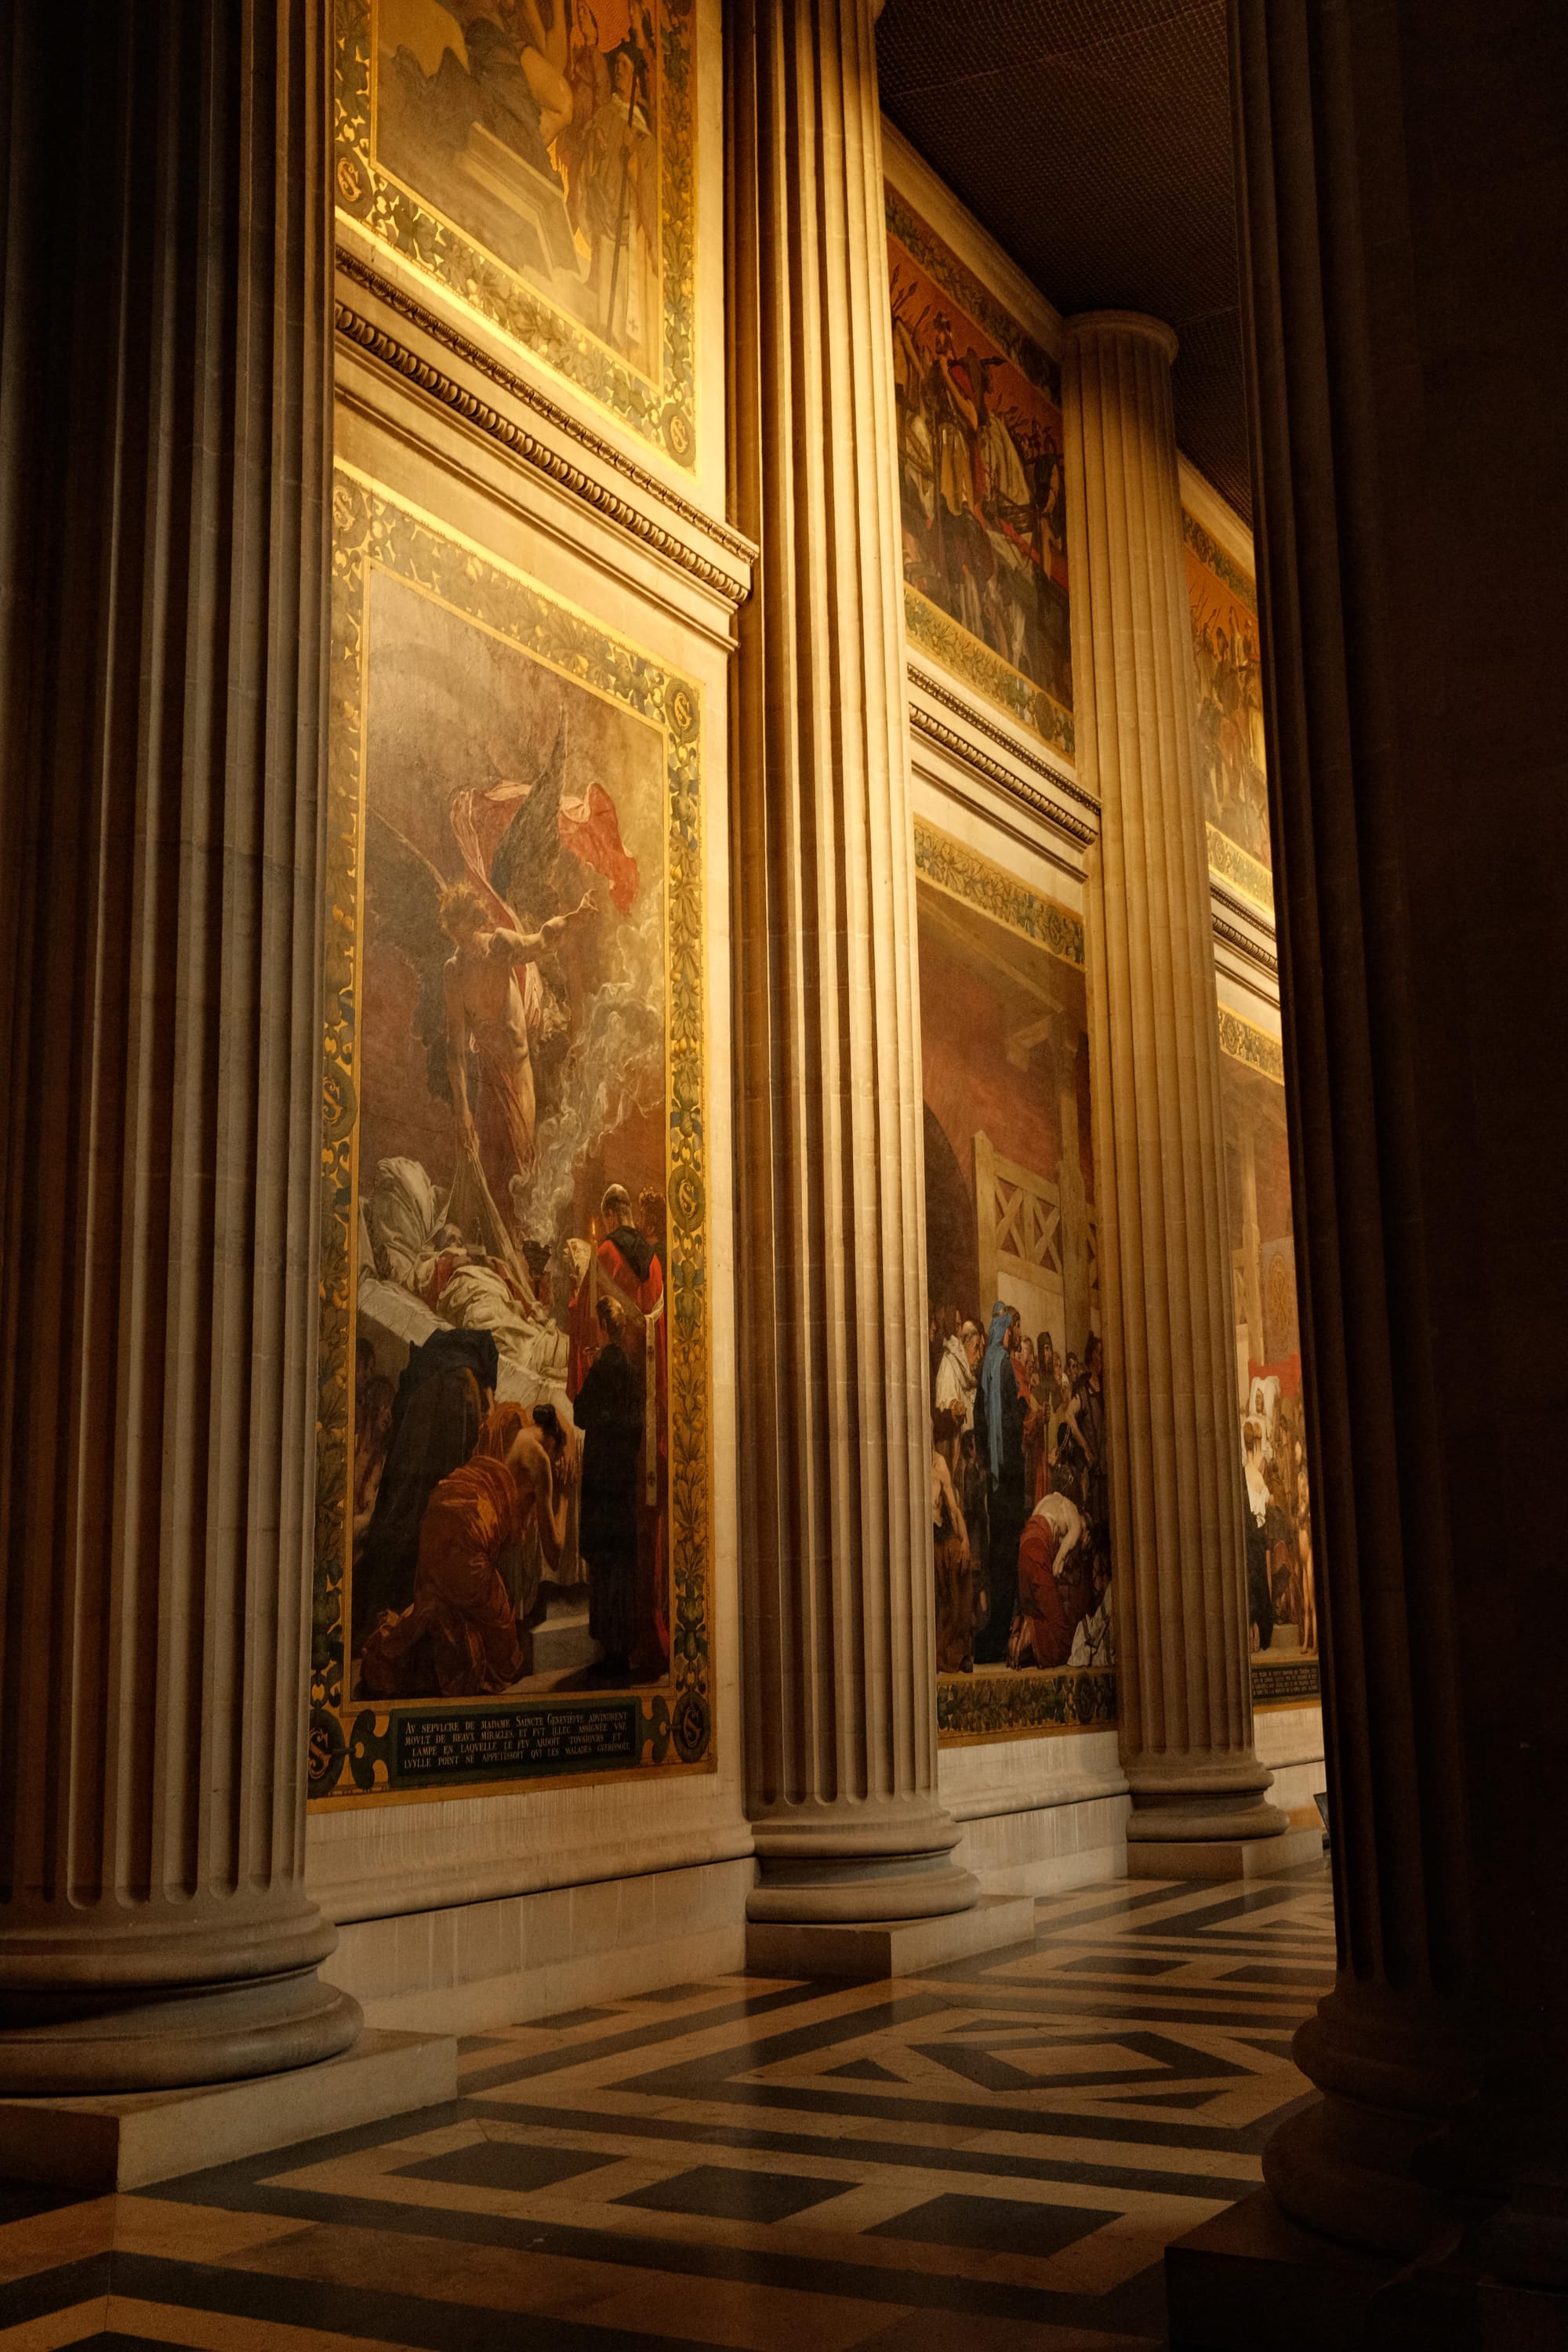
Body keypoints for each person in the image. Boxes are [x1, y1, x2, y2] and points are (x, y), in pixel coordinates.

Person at [360, 1401, 575, 1698]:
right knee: (505, 1656)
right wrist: (564, 1496)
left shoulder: (504, 1425)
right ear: (552, 1442)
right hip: (467, 1541)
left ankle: (425, 1638)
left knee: (448, 1603)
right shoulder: (540, 1459)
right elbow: (554, 1552)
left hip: (439, 1515)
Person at [441, 877, 597, 1224]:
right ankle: (497, 1258)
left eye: (466, 930)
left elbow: (542, 940)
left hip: (519, 1075)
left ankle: (520, 1250)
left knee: (521, 1166)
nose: (463, 941)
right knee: (489, 1169)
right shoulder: (454, 973)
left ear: (477, 921)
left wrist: (576, 917)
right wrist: (462, 1111)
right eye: (456, 934)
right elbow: (455, 1051)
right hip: (489, 1078)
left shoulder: (499, 946)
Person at [351, 1327, 499, 1652]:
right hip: (432, 1471)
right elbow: (456, 1460)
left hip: (412, 1467)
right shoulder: (464, 1384)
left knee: (401, 1521)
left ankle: (380, 1621)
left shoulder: (441, 1366)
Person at [568, 1182, 667, 1670]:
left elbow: (582, 1315)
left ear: (610, 1215)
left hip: (609, 1422)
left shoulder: (605, 1253)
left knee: (608, 1538)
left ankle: (610, 1641)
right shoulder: (653, 1262)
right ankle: (641, 1631)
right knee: (636, 1535)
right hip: (646, 1416)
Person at [574, 1297, 644, 1677]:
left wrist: (587, 1370)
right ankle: (619, 1650)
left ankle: (610, 1653)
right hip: (622, 1479)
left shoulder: (604, 1367)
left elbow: (581, 1413)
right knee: (620, 1562)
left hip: (603, 1479)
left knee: (605, 1563)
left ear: (604, 1326)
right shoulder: (631, 1369)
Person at [972, 1302, 1028, 1665]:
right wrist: (1022, 1410)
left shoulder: (983, 1369)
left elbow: (981, 1423)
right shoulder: (1004, 1366)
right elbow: (1010, 1419)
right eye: (1012, 1331)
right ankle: (999, 1636)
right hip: (1007, 1477)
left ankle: (993, 1638)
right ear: (1006, 1332)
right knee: (1007, 1555)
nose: (1013, 1336)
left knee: (999, 1555)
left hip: (993, 1478)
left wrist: (986, 1458)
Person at [1010, 1490, 1091, 1670]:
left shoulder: (1050, 1501)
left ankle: (1023, 1635)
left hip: (1025, 1550)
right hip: (1038, 1554)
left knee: (1040, 1613)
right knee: (1062, 1637)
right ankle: (1030, 1632)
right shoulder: (1076, 1524)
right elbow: (1057, 1569)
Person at [931, 1404, 973, 1673]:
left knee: (959, 1554)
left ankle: (957, 1648)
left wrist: (966, 1540)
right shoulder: (909, 1466)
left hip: (942, 1535)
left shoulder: (939, 1463)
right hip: (922, 1542)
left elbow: (954, 1508)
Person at [934, 1316, 982, 1434]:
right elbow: (944, 1401)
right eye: (976, 1349)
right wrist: (955, 1405)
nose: (979, 1356)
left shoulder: (971, 1373)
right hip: (954, 1440)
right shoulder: (950, 1363)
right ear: (966, 1344)